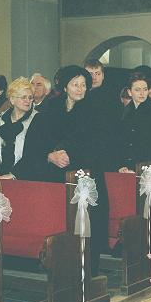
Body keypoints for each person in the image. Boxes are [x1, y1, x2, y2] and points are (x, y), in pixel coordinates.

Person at [44, 65, 111, 273]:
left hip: (86, 173)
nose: (80, 89)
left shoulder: (95, 108)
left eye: (83, 85)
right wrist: (50, 155)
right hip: (57, 173)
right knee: (61, 222)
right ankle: (63, 269)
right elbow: (41, 138)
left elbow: (97, 143)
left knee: (87, 223)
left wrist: (68, 155)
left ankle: (88, 270)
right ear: (65, 87)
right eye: (75, 85)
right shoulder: (52, 107)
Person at [117, 73, 151, 256]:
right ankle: (135, 246)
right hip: (128, 167)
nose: (141, 93)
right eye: (137, 89)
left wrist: (139, 166)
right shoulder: (125, 111)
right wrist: (123, 164)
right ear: (129, 91)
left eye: (145, 89)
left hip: (148, 167)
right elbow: (121, 141)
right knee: (132, 208)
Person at [0, 77, 48, 181]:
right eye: (23, 97)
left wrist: (13, 175)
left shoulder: (39, 119)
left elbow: (35, 153)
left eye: (30, 98)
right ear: (12, 100)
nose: (28, 101)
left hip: (26, 176)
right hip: (0, 174)